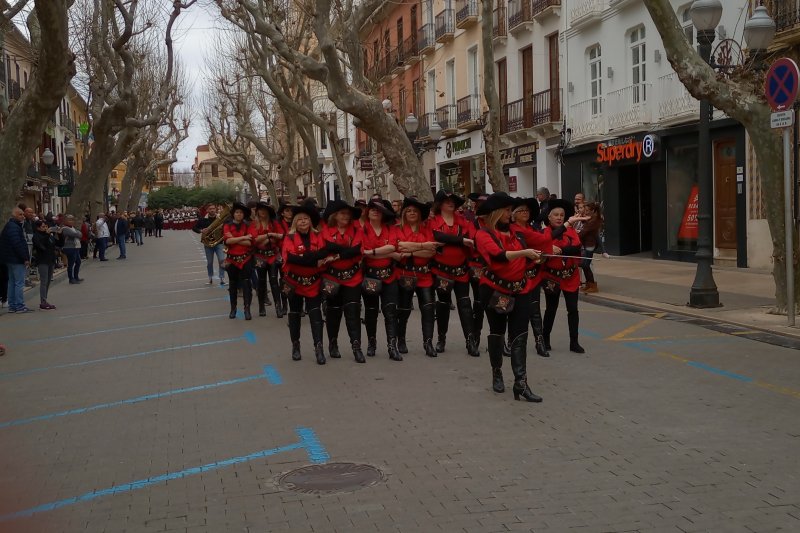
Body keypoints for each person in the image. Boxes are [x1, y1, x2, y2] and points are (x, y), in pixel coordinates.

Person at [475, 192, 543, 402]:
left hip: (521, 289)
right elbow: (498, 256)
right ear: (495, 213)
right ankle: (497, 372)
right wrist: (525, 253)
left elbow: (530, 256)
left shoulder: (517, 234)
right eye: (506, 210)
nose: (509, 213)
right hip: (495, 291)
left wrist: (537, 257)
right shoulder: (483, 234)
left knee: (520, 335)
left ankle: (520, 383)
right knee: (497, 333)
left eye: (509, 209)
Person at [429, 190, 478, 356]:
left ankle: (470, 341)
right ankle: (441, 339)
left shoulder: (463, 221)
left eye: (453, 201)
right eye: (447, 200)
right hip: (441, 270)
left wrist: (459, 240)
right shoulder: (433, 221)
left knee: (465, 304)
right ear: (440, 203)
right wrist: (460, 240)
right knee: (442, 306)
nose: (450, 203)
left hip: (461, 270)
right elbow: (437, 236)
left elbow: (472, 237)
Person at [281, 203, 333, 364]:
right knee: (295, 314)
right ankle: (295, 346)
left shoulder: (319, 236)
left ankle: (319, 348)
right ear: (295, 222)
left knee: (316, 315)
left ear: (310, 222)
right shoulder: (289, 238)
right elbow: (290, 258)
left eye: (306, 219)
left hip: (314, 283)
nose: (303, 222)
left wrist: (308, 258)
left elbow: (325, 253)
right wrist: (313, 259)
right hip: (294, 282)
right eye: (300, 219)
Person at [320, 200, 366, 363]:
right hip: (332, 277)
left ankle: (356, 347)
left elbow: (358, 250)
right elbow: (325, 247)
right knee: (333, 312)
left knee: (353, 311)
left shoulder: (356, 230)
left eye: (348, 214)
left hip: (353, 277)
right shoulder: (326, 230)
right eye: (342, 213)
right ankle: (333, 344)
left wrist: (337, 252)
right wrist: (347, 251)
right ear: (335, 216)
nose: (346, 216)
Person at [542, 199, 588, 354]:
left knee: (573, 309)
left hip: (570, 276)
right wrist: (550, 248)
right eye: (555, 214)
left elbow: (577, 249)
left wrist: (561, 250)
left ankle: (574, 342)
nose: (559, 217)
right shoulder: (546, 233)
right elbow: (544, 248)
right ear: (549, 217)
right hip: (552, 277)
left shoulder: (571, 232)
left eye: (562, 215)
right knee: (551, 308)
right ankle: (545, 338)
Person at [395, 197, 439, 357]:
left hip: (424, 274)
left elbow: (432, 251)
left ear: (420, 214)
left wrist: (412, 250)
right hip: (405, 273)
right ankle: (401, 339)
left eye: (415, 211)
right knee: (404, 309)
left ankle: (428, 343)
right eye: (409, 211)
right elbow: (400, 247)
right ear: (404, 214)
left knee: (428, 309)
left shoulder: (426, 230)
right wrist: (422, 246)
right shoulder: (397, 229)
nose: (412, 213)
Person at [511, 197, 553, 357]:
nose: (525, 213)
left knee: (535, 309)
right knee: (513, 310)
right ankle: (511, 342)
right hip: (517, 276)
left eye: (527, 210)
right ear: (514, 214)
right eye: (521, 210)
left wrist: (543, 256)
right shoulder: (513, 230)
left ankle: (539, 341)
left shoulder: (534, 229)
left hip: (534, 275)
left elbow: (543, 247)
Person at [361, 199, 402, 361]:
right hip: (370, 276)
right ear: (367, 211)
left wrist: (372, 252)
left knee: (391, 312)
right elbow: (362, 251)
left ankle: (393, 346)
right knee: (371, 312)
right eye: (372, 208)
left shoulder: (390, 229)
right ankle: (372, 343)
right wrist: (388, 253)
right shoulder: (362, 230)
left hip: (389, 276)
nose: (375, 211)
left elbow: (393, 247)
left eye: (379, 209)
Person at [223, 202, 257, 320]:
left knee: (247, 284)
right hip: (231, 259)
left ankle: (247, 309)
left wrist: (234, 239)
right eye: (237, 212)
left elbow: (250, 242)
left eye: (241, 213)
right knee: (232, 284)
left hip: (246, 258)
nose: (239, 214)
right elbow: (227, 241)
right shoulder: (227, 225)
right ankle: (233, 309)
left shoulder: (249, 225)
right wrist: (243, 237)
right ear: (233, 214)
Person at [252, 202, 283, 317]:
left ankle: (278, 307)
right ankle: (261, 306)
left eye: (265, 209)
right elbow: (254, 241)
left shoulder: (274, 223)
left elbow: (281, 237)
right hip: (260, 256)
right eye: (260, 209)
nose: (262, 212)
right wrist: (270, 235)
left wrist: (265, 238)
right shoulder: (254, 224)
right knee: (261, 282)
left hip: (273, 256)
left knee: (274, 281)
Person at [0, 207, 32, 313]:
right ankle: (19, 306)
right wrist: (25, 258)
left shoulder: (10, 226)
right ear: (14, 215)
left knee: (12, 282)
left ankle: (12, 306)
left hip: (9, 259)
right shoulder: (14, 227)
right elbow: (17, 244)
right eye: (20, 214)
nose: (23, 216)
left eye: (23, 214)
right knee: (19, 283)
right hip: (16, 259)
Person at [577, 202, 607, 294]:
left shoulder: (594, 220)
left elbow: (584, 231)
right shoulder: (592, 219)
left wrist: (575, 235)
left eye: (587, 210)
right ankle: (589, 284)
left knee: (585, 265)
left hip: (590, 244)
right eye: (585, 210)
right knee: (585, 265)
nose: (585, 212)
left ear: (593, 211)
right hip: (587, 243)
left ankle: (592, 285)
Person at [193, 205, 226, 286]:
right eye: (210, 209)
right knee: (210, 262)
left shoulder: (220, 219)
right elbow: (194, 228)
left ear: (216, 209)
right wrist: (201, 230)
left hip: (219, 243)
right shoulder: (203, 219)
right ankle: (210, 278)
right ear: (207, 210)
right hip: (208, 244)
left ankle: (222, 278)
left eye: (213, 208)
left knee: (222, 260)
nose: (212, 210)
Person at [32, 220, 57, 309]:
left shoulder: (50, 236)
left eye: (46, 226)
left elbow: (57, 244)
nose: (45, 228)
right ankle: (43, 301)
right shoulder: (36, 236)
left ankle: (45, 299)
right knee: (44, 281)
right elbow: (41, 245)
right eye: (43, 227)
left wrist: (60, 235)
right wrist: (47, 235)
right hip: (42, 260)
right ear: (38, 227)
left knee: (48, 280)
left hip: (51, 260)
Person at [61, 215, 84, 284]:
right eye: (69, 220)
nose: (71, 221)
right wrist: (77, 233)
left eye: (72, 220)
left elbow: (80, 234)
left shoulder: (73, 228)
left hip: (76, 247)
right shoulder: (65, 228)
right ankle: (71, 278)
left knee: (78, 262)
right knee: (71, 264)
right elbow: (75, 234)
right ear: (65, 221)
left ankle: (76, 277)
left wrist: (78, 233)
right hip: (69, 247)